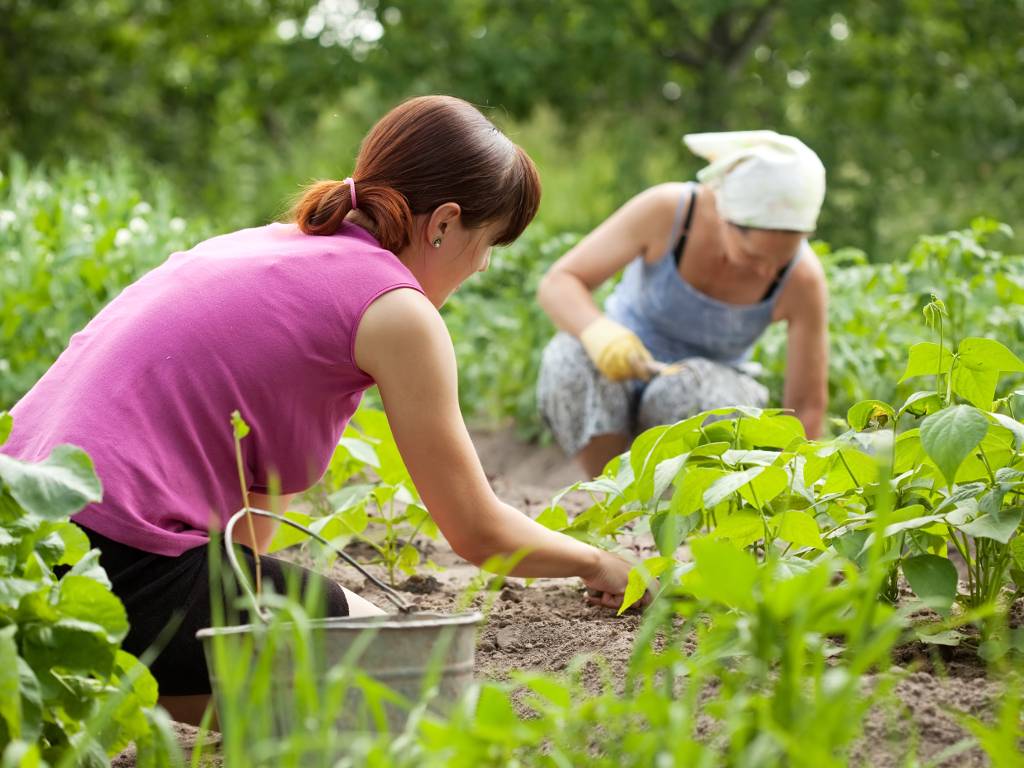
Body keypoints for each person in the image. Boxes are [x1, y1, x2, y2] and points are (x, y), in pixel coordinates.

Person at [1, 95, 637, 726]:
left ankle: (102, 679)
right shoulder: (396, 310)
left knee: (295, 682)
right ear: (443, 224)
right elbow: (476, 531)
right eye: (489, 242)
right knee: (403, 690)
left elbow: (244, 522)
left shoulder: (265, 246)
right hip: (120, 563)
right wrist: (600, 561)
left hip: (23, 548)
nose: (482, 264)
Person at [537, 130, 829, 477]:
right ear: (724, 215)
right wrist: (598, 332)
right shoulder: (668, 213)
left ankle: (680, 503)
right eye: (753, 255)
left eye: (781, 260)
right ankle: (611, 493)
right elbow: (559, 282)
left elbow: (807, 404)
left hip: (706, 397)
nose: (766, 270)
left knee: (687, 389)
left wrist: (797, 484)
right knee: (569, 357)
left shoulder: (803, 279)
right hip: (622, 375)